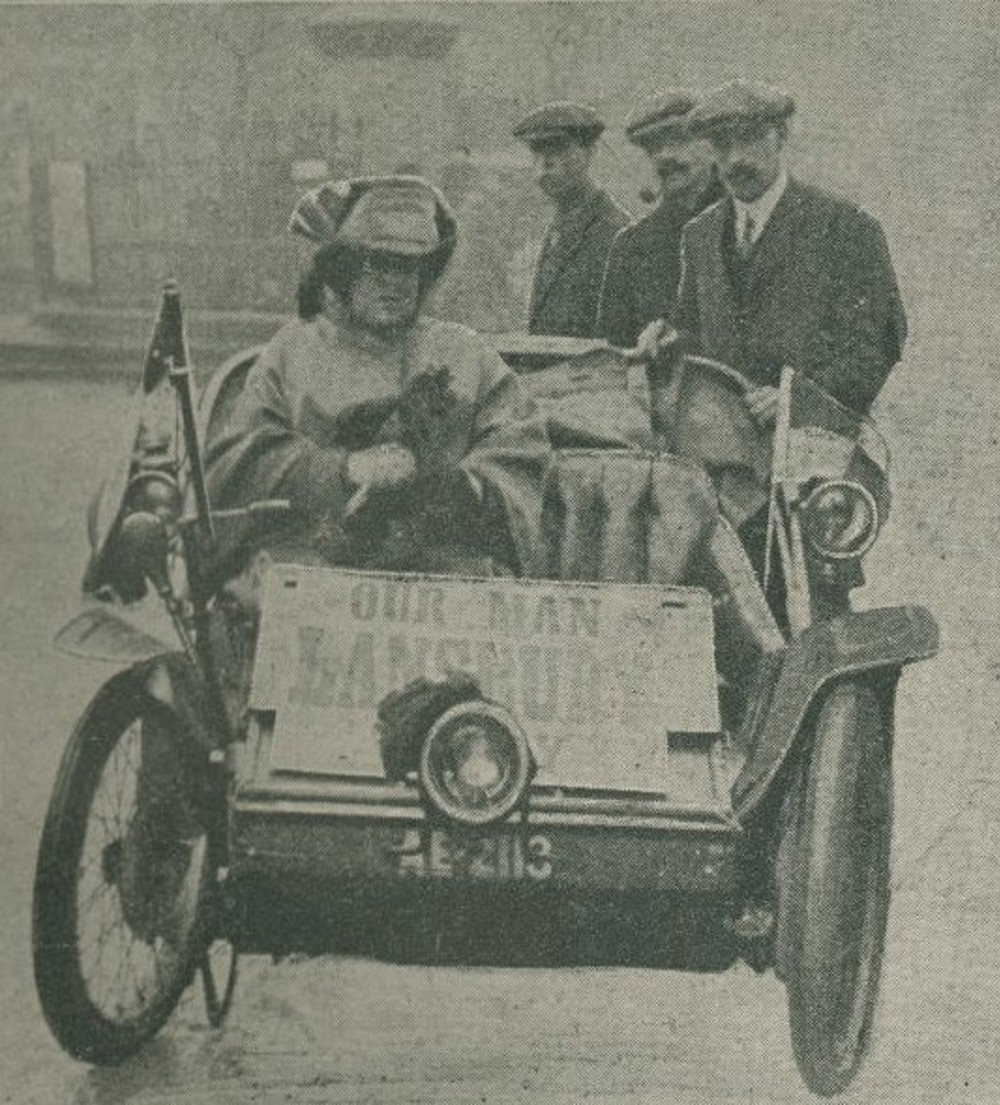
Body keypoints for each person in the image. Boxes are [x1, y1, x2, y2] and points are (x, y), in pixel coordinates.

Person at [205, 175, 551, 584]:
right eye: (378, 264)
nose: (397, 282)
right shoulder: (291, 353)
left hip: (443, 575)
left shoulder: (465, 354)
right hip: (315, 572)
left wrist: (464, 487)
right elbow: (236, 465)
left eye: (410, 266)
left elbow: (520, 445)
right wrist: (343, 470)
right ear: (343, 269)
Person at [638, 79, 907, 420]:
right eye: (722, 144)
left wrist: (799, 400)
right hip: (726, 443)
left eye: (750, 139)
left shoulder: (846, 226)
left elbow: (878, 345)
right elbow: (696, 334)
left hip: (819, 443)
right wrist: (667, 338)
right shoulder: (700, 236)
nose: (736, 159)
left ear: (780, 135)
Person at [596, 89, 723, 348]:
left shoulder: (744, 225)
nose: (665, 156)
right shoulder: (632, 247)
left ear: (712, 146)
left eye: (678, 141)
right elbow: (613, 354)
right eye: (653, 148)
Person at [513, 102, 631, 338]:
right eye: (537, 151)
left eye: (559, 149)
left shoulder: (615, 231)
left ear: (589, 153)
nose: (546, 164)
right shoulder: (560, 223)